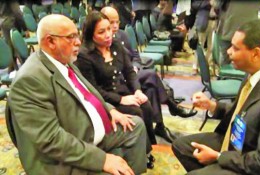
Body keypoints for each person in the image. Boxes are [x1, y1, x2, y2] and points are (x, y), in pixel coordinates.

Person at [6, 14, 147, 175]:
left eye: (77, 35)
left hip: (88, 130)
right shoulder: (30, 80)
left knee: (136, 126)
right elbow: (51, 140)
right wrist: (102, 159)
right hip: (62, 157)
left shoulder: (63, 60)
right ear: (51, 41)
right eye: (71, 37)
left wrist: (110, 110)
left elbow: (88, 94)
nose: (78, 42)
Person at [172, 19, 260, 175]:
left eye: (235, 48)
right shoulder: (258, 68)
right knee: (181, 146)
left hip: (257, 163)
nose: (228, 51)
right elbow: (245, 111)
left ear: (255, 54)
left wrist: (219, 157)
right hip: (239, 142)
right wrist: (213, 106)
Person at [101, 6, 197, 143]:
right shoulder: (103, 41)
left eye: (117, 21)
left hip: (132, 76)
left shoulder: (122, 34)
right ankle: (172, 106)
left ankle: (158, 126)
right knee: (152, 75)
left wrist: (135, 67)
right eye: (111, 22)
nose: (115, 25)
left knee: (151, 88)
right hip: (120, 81)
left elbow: (135, 56)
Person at [75, 11, 156, 169]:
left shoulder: (116, 44)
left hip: (122, 91)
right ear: (91, 34)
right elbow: (93, 90)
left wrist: (137, 91)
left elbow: (129, 72)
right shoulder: (85, 56)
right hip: (105, 100)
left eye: (109, 29)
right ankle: (141, 153)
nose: (108, 35)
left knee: (145, 105)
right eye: (101, 32)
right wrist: (120, 100)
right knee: (137, 112)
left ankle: (145, 149)